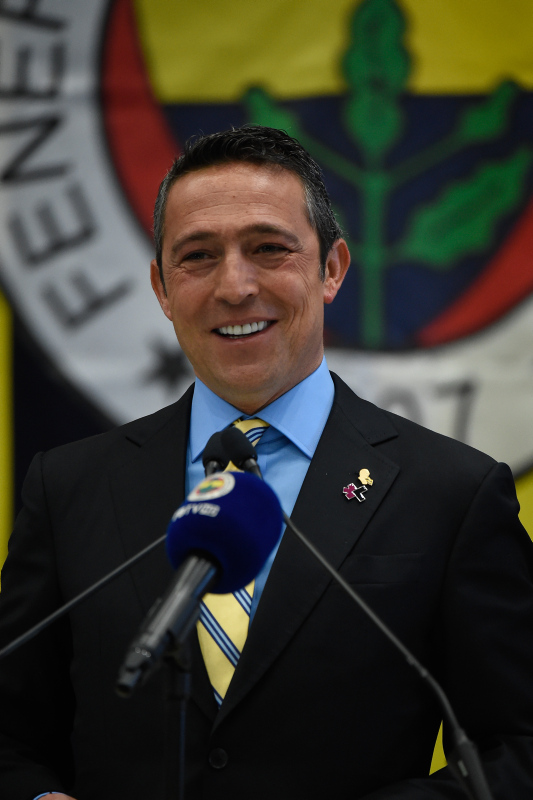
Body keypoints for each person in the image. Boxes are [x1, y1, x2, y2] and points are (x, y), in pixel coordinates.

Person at [0, 125, 532, 800]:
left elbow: (518, 749)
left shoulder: (450, 493)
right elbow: (12, 736)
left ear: (331, 268)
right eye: (198, 256)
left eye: (268, 248)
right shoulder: (68, 487)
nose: (234, 286)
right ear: (162, 288)